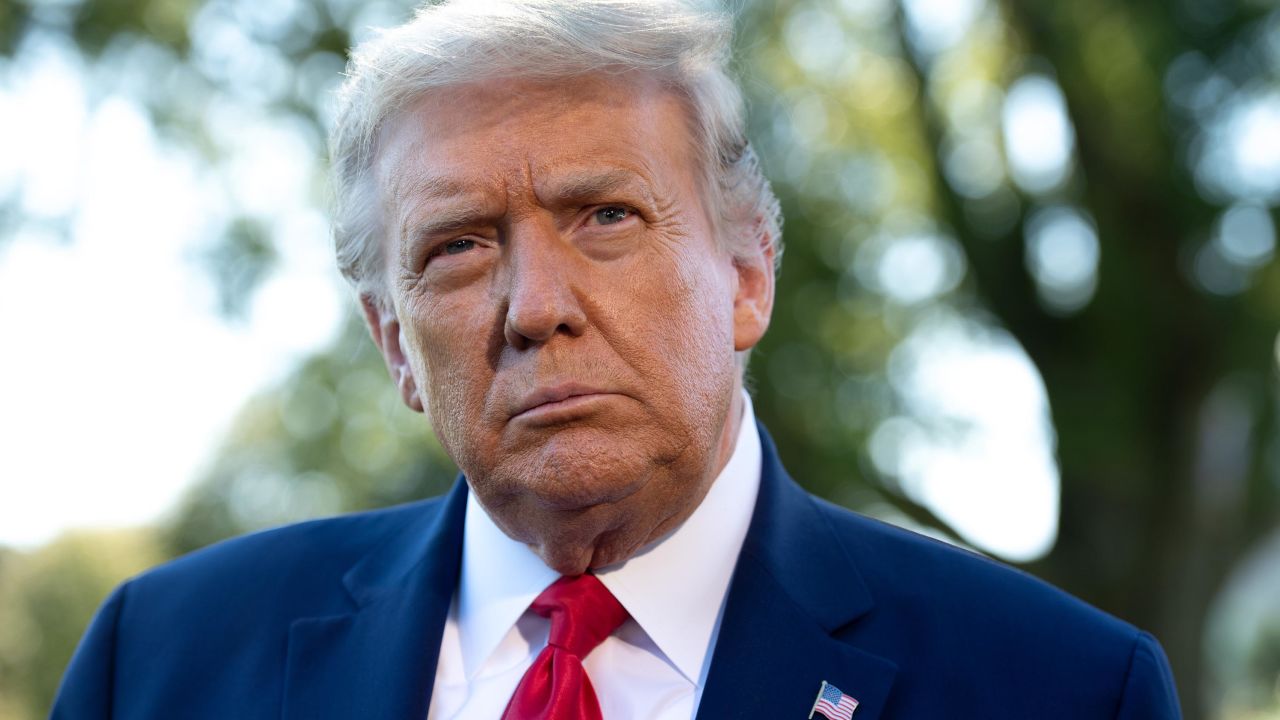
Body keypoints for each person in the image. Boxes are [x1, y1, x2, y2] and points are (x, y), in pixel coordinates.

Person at [52, 1, 1181, 718]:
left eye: (604, 217)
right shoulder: (159, 667)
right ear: (394, 343)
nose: (534, 309)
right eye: (456, 248)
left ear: (745, 276)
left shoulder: (1059, 690)